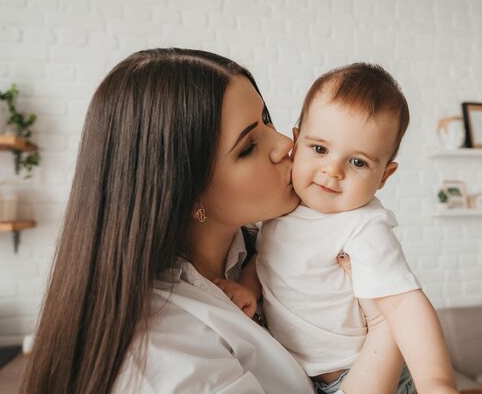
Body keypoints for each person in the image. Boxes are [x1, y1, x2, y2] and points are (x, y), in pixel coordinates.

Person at [20, 48, 316, 394]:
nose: (285, 144)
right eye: (248, 146)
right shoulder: (163, 351)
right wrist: (389, 324)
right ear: (186, 193)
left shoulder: (269, 247)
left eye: (267, 119)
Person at [217, 63, 459, 394]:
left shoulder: (362, 225)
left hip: (359, 371)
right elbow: (269, 261)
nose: (332, 171)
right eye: (320, 149)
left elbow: (405, 306)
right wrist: (248, 288)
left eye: (358, 162)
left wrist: (436, 382)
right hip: (303, 377)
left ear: (384, 177)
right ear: (297, 142)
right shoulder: (281, 208)